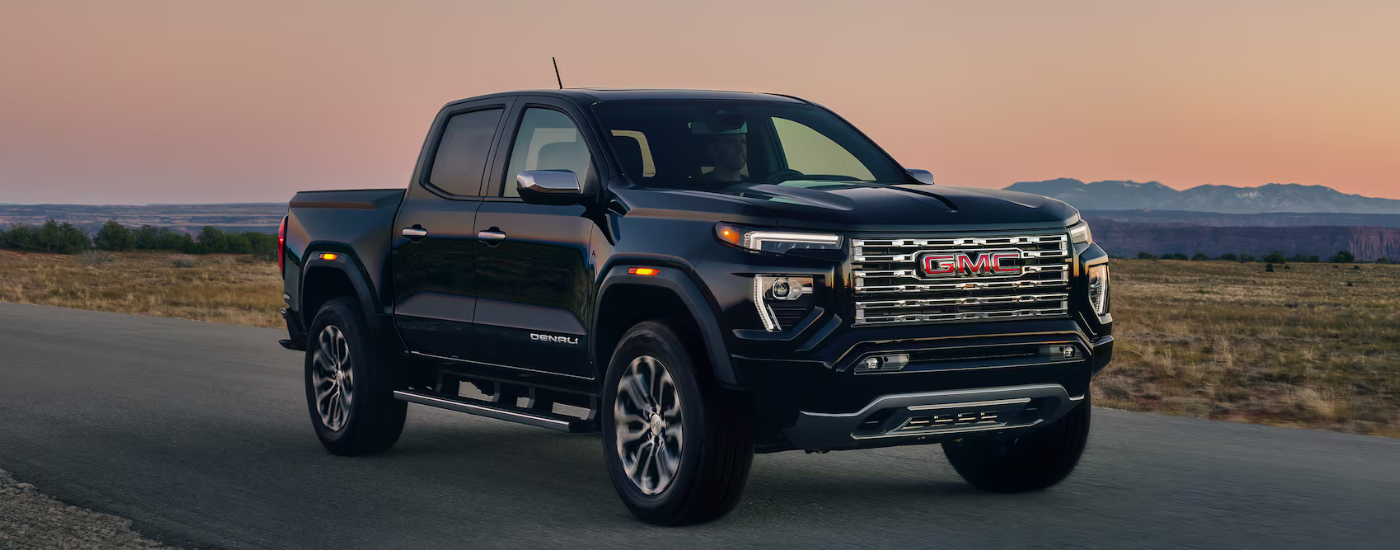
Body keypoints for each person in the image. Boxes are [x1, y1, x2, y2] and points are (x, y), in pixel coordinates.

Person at [691, 113, 748, 184]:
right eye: (731, 142)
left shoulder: (752, 186)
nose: (740, 148)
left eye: (743, 142)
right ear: (713, 148)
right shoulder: (700, 189)